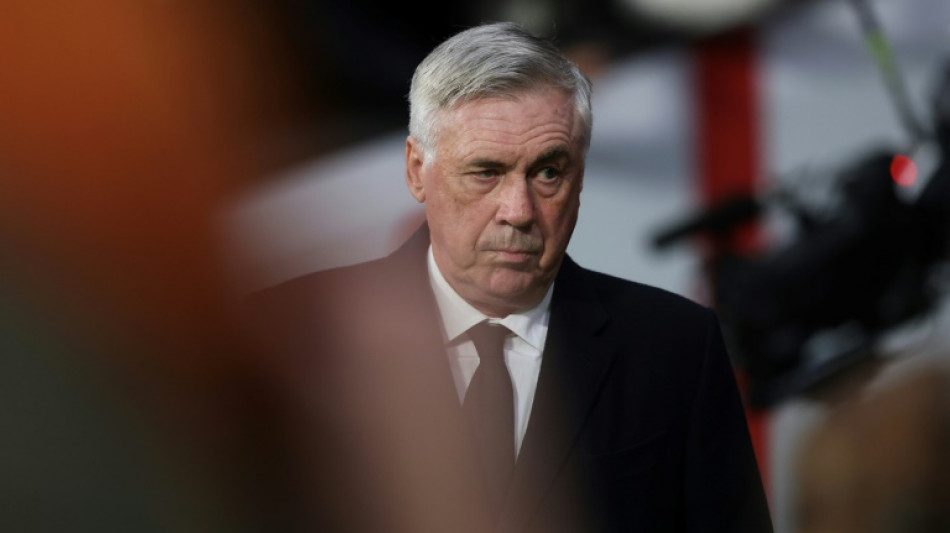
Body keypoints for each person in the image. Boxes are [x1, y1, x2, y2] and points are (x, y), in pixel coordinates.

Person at [247, 21, 772, 533]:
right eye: (486, 172)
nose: (518, 211)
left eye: (548, 172)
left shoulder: (676, 345)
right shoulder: (294, 338)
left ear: (580, 178)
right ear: (416, 170)